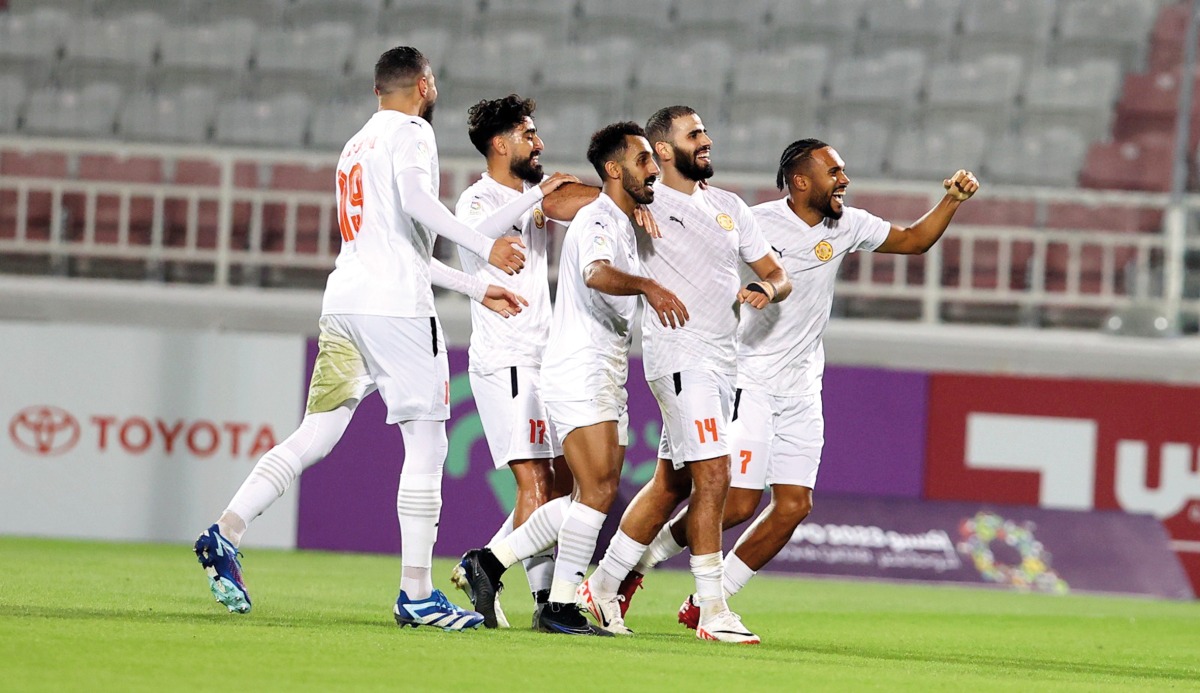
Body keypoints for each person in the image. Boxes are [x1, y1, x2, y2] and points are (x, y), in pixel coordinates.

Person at [192, 46, 529, 632]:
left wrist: (475, 289)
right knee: (427, 443)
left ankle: (226, 531)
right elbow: (420, 208)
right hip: (396, 310)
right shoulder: (413, 134)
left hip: (346, 303)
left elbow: (397, 245)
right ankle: (417, 595)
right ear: (423, 85)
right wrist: (484, 248)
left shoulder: (355, 146)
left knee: (316, 433)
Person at [624, 138, 979, 632]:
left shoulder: (848, 224)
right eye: (834, 172)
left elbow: (916, 241)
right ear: (801, 180)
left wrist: (952, 201)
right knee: (740, 503)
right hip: (748, 376)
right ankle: (637, 566)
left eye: (844, 171)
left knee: (793, 505)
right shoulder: (757, 223)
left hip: (802, 385)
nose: (845, 180)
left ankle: (713, 597)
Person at [455, 122, 688, 636]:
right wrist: (650, 285)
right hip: (574, 365)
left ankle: (499, 569)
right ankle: (554, 600)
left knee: (589, 491)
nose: (654, 168)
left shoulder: (619, 219)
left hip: (598, 365)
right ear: (614, 169)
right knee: (595, 489)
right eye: (644, 160)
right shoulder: (599, 219)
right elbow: (596, 274)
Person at [576, 106, 790, 644]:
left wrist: (767, 289)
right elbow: (570, 199)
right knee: (713, 476)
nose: (707, 140)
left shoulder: (731, 207)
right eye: (695, 134)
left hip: (722, 361)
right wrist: (621, 207)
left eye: (705, 131)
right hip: (678, 354)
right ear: (663, 150)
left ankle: (600, 587)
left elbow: (776, 273)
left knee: (672, 482)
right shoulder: (644, 200)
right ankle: (713, 608)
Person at [446, 94, 594, 627]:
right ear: (500, 143)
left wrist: (629, 199)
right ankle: (534, 596)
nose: (540, 144)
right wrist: (539, 194)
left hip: (541, 358)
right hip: (505, 359)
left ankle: (492, 567)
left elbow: (584, 207)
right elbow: (473, 237)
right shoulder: (477, 201)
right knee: (534, 484)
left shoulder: (533, 199)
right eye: (529, 134)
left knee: (553, 486)